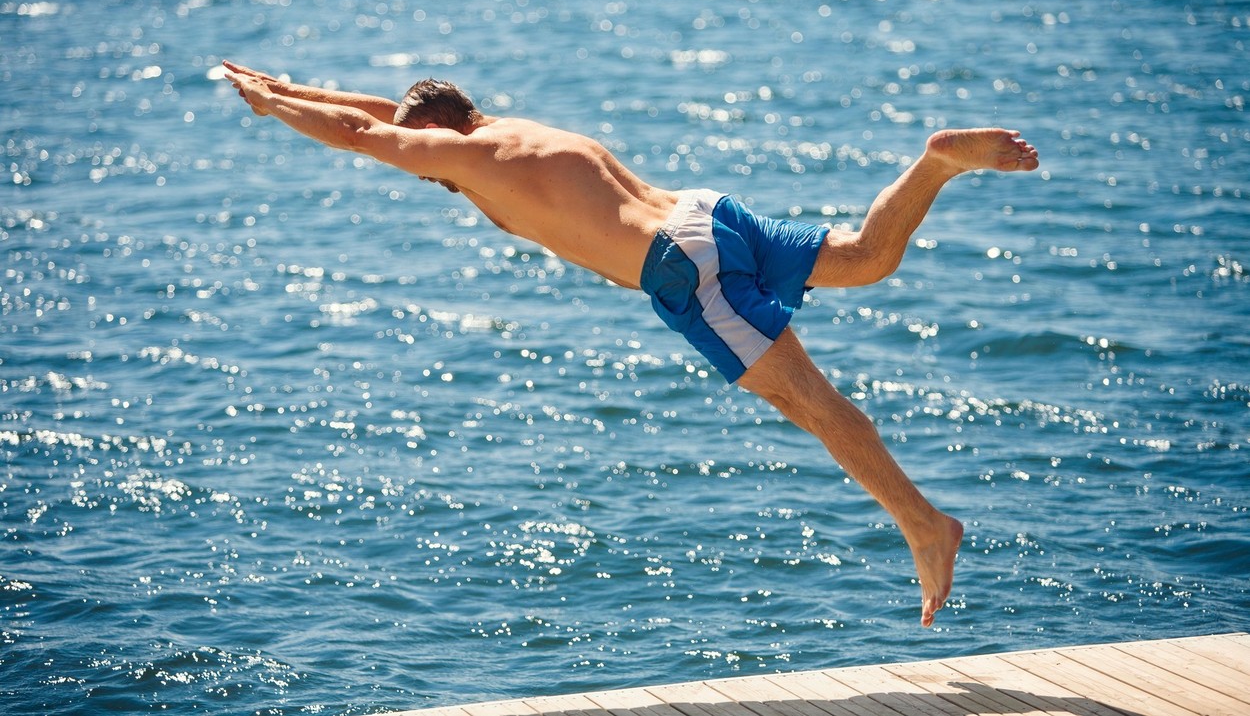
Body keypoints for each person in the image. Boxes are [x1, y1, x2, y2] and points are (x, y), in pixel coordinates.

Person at [223, 60, 1039, 627]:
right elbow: (378, 117)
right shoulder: (507, 133)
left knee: (815, 406)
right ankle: (935, 164)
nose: (428, 173)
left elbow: (362, 137)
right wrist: (282, 85)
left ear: (441, 135)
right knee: (867, 253)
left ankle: (925, 525)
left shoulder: (467, 157)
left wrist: (271, 111)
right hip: (704, 214)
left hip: (683, 271)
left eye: (427, 153)